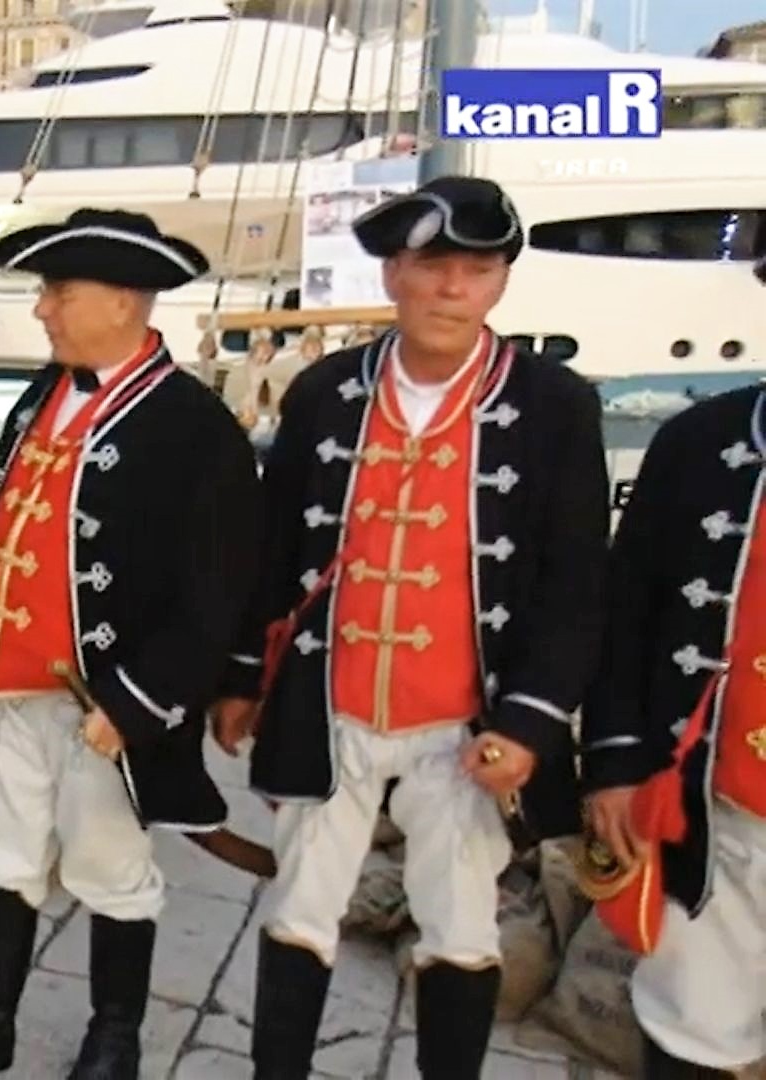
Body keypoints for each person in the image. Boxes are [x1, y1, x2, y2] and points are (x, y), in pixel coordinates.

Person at [210, 176, 608, 1078]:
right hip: (330, 704)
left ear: (502, 282)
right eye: (433, 265)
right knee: (299, 908)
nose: (453, 288)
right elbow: (274, 547)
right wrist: (241, 678)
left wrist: (531, 721)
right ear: (393, 272)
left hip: (466, 723)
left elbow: (577, 583)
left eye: (479, 269)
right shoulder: (325, 392)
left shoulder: (554, 405)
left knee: (460, 923)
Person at [0, 208, 261, 1080]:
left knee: (110, 866)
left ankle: (113, 1041)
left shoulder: (194, 428)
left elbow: (217, 592)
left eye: (58, 291)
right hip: (11, 686)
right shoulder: (43, 394)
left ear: (123, 299)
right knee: (1, 853)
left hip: (105, 706)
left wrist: (141, 702)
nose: (42, 308)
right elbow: (0, 498)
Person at [577, 254, 766, 1078]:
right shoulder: (699, 443)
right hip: (712, 817)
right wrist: (615, 767)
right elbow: (626, 619)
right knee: (688, 1038)